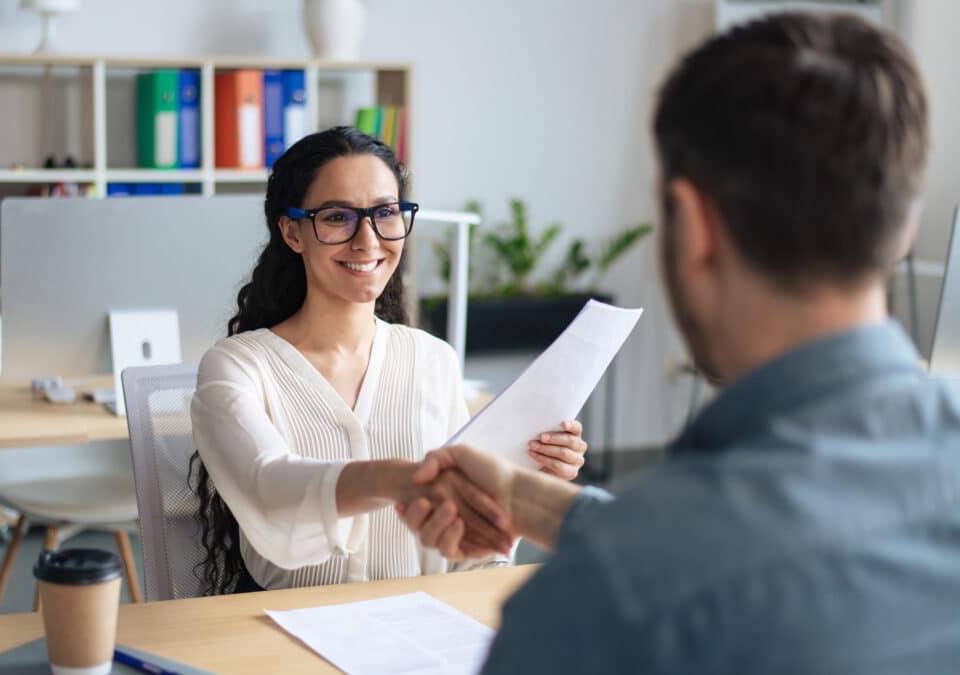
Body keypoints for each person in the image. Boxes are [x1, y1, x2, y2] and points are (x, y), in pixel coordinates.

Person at [397, 12, 960, 673]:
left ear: (693, 227)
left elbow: (683, 559)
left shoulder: (600, 604)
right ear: (902, 226)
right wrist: (525, 499)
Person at [189, 126, 587, 594]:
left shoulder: (432, 359)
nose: (368, 239)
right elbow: (270, 490)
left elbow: (468, 560)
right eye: (338, 217)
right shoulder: (237, 367)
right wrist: (399, 479)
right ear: (293, 231)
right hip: (293, 632)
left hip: (421, 631)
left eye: (385, 212)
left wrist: (523, 482)